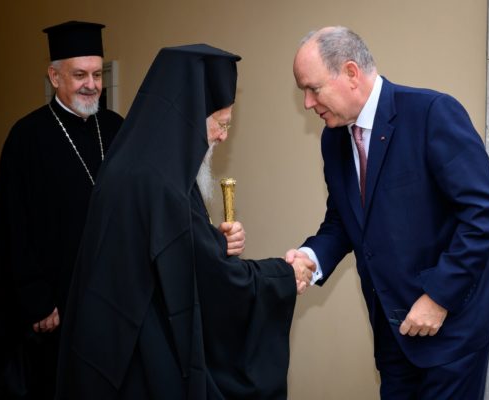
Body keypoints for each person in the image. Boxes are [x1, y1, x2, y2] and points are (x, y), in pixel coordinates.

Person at [56, 44, 314, 400]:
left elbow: (165, 247)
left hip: (108, 348)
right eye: (221, 123)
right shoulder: (162, 183)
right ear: (190, 118)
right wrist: (283, 276)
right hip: (144, 358)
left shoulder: (134, 164)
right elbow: (207, 277)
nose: (224, 136)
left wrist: (215, 241)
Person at [286, 26, 489, 399]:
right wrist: (311, 258)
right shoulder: (333, 138)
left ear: (351, 73)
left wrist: (439, 298)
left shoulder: (431, 113)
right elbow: (344, 220)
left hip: (454, 323)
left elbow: (484, 212)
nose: (307, 103)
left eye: (313, 89)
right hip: (393, 330)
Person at [0, 21, 125, 400]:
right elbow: (14, 226)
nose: (91, 84)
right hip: (57, 306)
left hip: (111, 295)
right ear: (54, 76)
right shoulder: (26, 137)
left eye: (97, 74)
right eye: (79, 75)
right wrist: (37, 300)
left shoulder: (116, 128)